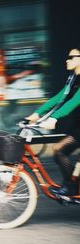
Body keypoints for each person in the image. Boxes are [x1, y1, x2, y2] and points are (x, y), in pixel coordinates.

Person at [26, 47, 80, 196]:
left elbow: (74, 102)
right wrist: (37, 113)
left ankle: (71, 187)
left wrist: (54, 118)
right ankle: (72, 186)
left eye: (71, 57)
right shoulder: (73, 78)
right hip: (78, 127)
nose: (67, 60)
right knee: (60, 151)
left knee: (59, 149)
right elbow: (58, 97)